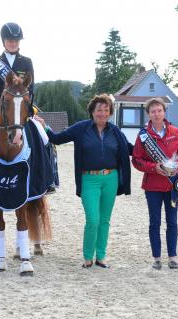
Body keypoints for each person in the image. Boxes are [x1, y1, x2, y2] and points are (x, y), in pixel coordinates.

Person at [35, 94, 133, 269]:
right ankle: (88, 256)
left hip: (111, 179)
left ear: (110, 112)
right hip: (89, 179)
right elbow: (58, 138)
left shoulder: (115, 131)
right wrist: (45, 127)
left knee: (104, 220)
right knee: (93, 219)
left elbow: (130, 149)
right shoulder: (81, 128)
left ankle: (101, 257)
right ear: (92, 112)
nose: (102, 113)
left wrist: (150, 149)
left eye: (105, 110)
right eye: (99, 110)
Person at [0, 22, 48, 148]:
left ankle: (46, 167)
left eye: (16, 40)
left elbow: (31, 89)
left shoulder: (27, 62)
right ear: (3, 41)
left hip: (21, 110)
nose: (13, 43)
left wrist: (27, 107)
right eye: (10, 40)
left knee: (44, 139)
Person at [132, 98, 178, 270]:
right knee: (154, 222)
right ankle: (156, 258)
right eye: (153, 111)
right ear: (148, 114)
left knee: (172, 222)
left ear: (164, 112)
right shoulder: (143, 136)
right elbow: (136, 160)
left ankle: (172, 256)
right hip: (152, 187)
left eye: (159, 110)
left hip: (172, 186)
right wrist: (154, 167)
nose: (156, 114)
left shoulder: (175, 132)